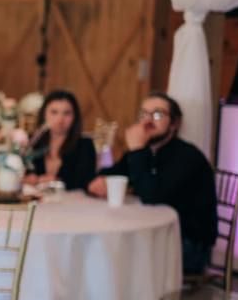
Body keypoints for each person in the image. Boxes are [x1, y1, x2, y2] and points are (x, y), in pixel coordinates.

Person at [87, 91, 217, 274]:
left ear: (174, 124)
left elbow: (152, 195)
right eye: (143, 114)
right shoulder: (145, 150)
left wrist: (137, 150)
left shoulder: (187, 156)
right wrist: (100, 182)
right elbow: (113, 173)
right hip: (151, 234)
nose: (147, 121)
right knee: (100, 247)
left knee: (112, 255)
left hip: (187, 243)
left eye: (157, 115)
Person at [23, 90, 96, 191]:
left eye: (67, 113)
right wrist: (28, 179)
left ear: (75, 117)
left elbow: (85, 181)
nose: (60, 119)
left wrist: (56, 181)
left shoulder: (85, 145)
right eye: (54, 112)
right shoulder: (33, 142)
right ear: (44, 114)